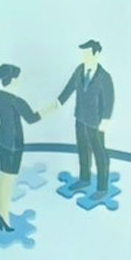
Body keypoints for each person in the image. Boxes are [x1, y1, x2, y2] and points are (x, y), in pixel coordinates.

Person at [44, 39, 115, 199]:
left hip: (96, 122)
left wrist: (106, 121)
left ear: (96, 54)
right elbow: (68, 89)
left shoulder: (104, 77)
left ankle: (102, 188)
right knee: (82, 149)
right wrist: (57, 103)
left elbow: (109, 101)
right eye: (83, 54)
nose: (84, 57)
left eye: (87, 54)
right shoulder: (79, 70)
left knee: (100, 153)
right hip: (80, 118)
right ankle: (84, 179)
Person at [0, 63, 39, 229]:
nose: (21, 81)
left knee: (4, 177)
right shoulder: (16, 101)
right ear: (13, 80)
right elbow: (32, 118)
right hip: (14, 143)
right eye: (19, 78)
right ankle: (3, 216)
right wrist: (52, 107)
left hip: (2, 139)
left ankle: (3, 214)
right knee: (9, 179)